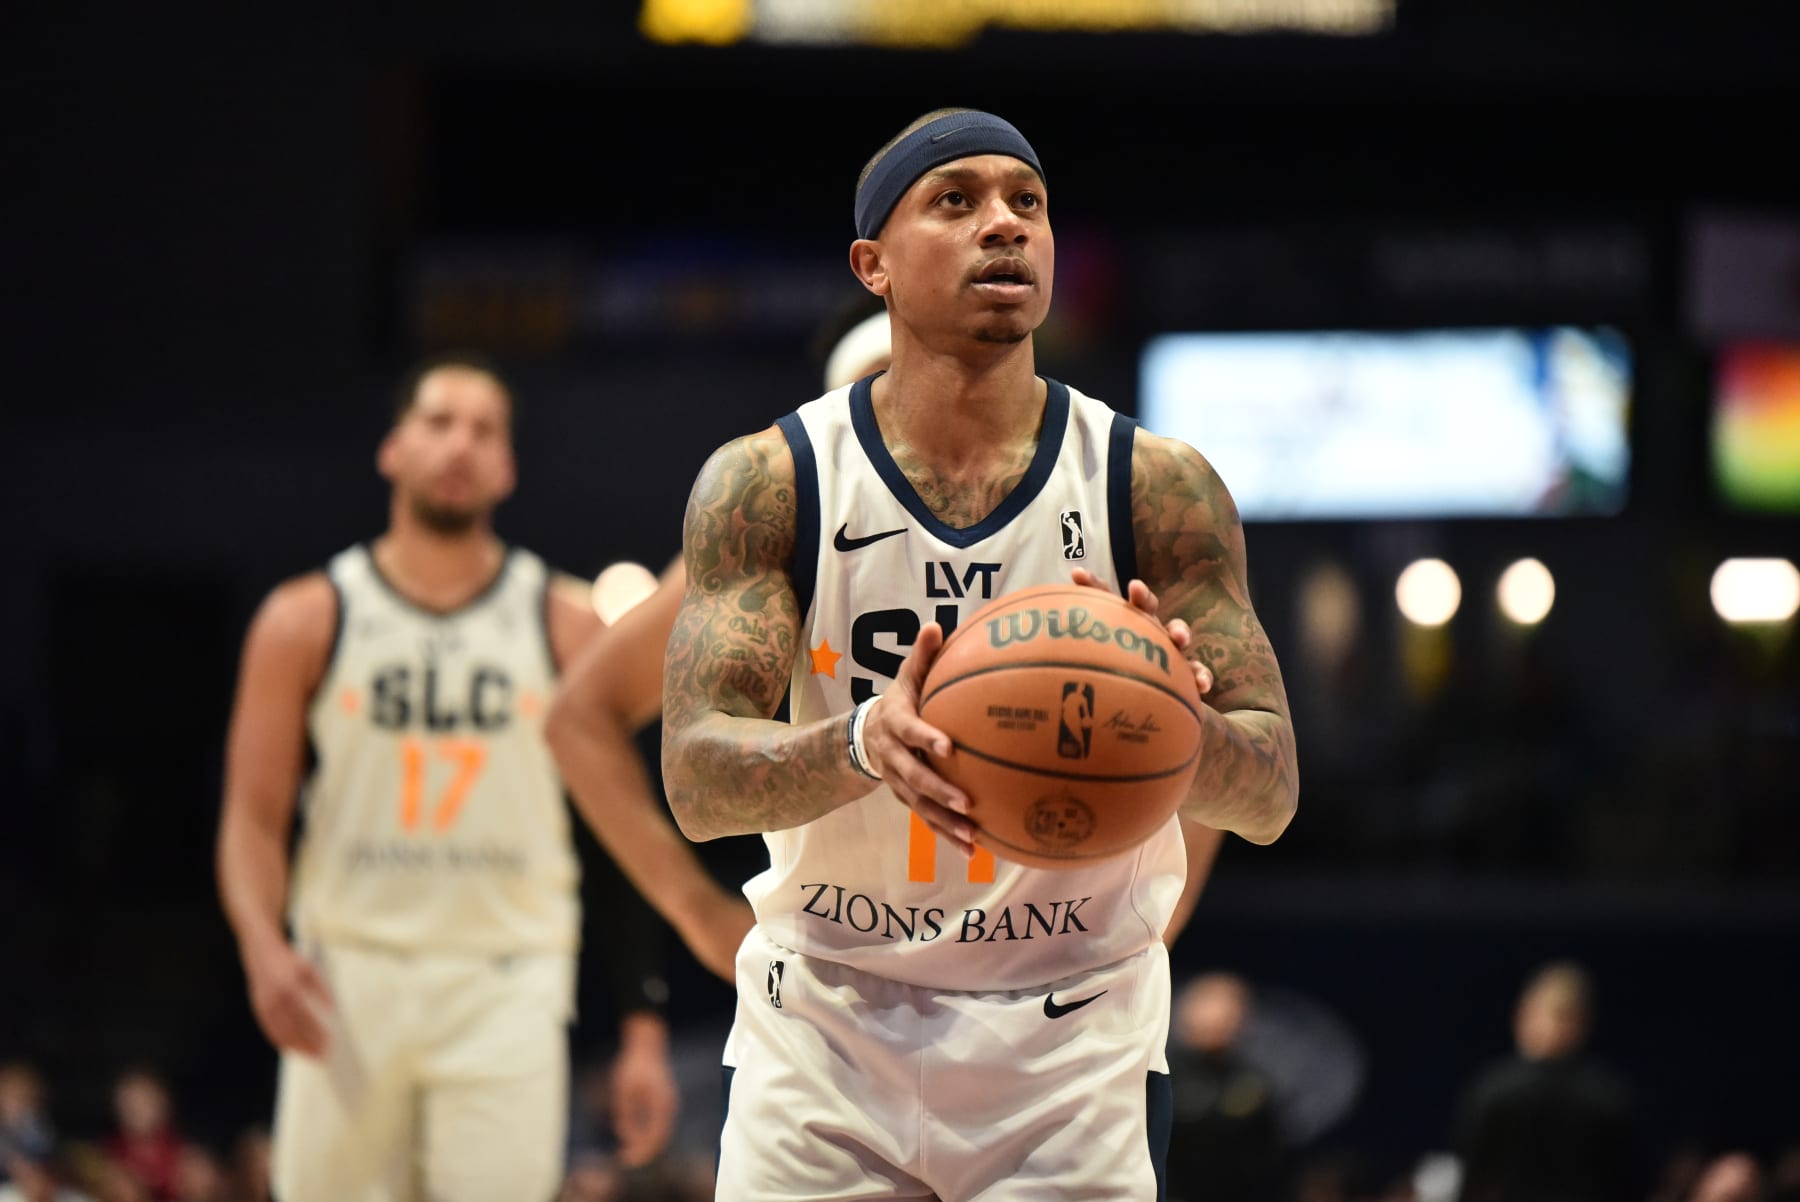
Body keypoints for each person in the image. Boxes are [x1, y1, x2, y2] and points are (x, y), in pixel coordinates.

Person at [659, 107, 1298, 1199]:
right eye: (957, 201)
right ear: (874, 265)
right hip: (827, 1022)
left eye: (1027, 202)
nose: (1004, 223)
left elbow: (1274, 785)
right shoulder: (771, 482)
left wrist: (1179, 726)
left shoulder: (1154, 485)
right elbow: (697, 776)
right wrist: (863, 741)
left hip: (1072, 1040)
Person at [215, 357, 678, 1202]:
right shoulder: (305, 618)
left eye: (484, 429)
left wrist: (642, 1027)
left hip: (507, 978)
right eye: (438, 422)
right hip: (346, 975)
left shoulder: (567, 625)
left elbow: (625, 844)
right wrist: (261, 948)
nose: (460, 444)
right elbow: (252, 819)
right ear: (393, 448)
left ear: (507, 466)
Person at [1453, 960, 1637, 1202]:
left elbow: (1470, 1176)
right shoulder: (1608, 1095)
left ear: (1523, 1015)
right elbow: (1629, 1181)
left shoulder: (1494, 1091)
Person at [1165, 973, 1284, 1202]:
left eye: (1229, 1012)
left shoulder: (1252, 1084)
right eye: (1207, 1006)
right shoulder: (1155, 1072)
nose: (1216, 1020)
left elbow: (1265, 1163)